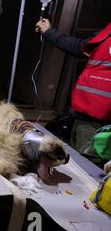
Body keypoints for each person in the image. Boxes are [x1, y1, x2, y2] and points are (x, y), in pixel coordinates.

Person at [35, 18, 111, 162]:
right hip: (85, 112)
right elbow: (79, 46)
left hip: (101, 120)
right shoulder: (106, 35)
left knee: (90, 163)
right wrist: (49, 32)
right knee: (78, 156)